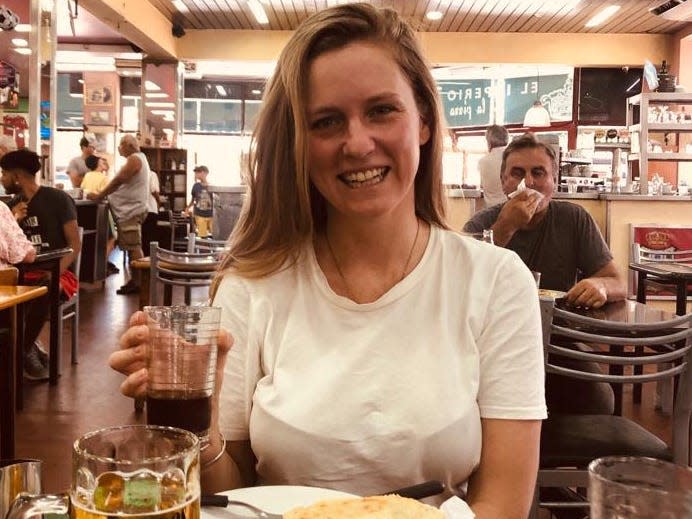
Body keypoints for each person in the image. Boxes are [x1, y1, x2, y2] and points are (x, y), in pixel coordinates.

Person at [110, 5, 546, 519]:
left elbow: (502, 504)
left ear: (424, 122)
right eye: (327, 121)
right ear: (300, 141)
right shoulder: (253, 284)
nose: (357, 144)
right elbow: (229, 496)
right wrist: (197, 424)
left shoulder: (495, 281)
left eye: (382, 110)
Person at [464, 132, 626, 308]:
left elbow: (618, 282)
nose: (528, 182)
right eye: (517, 174)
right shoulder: (480, 224)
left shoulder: (574, 218)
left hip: (558, 325)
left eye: (538, 173)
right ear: (504, 182)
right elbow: (461, 284)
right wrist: (506, 226)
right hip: (496, 324)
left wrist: (601, 286)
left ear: (554, 181)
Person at [1, 148, 81, 381]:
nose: (2, 178)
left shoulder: (57, 199)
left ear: (17, 176)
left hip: (58, 271)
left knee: (46, 290)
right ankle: (24, 350)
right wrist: (15, 219)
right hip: (24, 272)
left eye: (4, 173)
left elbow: (74, 244)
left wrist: (58, 271)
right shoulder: (11, 208)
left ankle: (21, 352)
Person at [87, 135, 149, 295]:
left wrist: (100, 195)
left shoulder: (135, 159)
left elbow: (118, 180)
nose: (119, 148)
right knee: (130, 246)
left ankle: (139, 282)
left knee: (134, 246)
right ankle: (136, 281)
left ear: (129, 145)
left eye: (121, 145)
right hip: (130, 210)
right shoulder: (138, 158)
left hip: (131, 210)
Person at [478, 125, 509, 207]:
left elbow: (481, 185)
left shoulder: (482, 161)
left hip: (490, 210)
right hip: (510, 207)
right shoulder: (513, 157)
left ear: (489, 141)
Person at [184, 165, 213, 238]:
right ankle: (204, 249)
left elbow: (215, 201)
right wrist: (187, 209)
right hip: (199, 214)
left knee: (215, 235)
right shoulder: (196, 186)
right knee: (203, 236)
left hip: (211, 215)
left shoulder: (212, 186)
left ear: (205, 173)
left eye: (199, 172)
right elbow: (193, 200)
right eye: (196, 173)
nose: (197, 174)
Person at [141, 169, 161, 257]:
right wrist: (159, 201)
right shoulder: (152, 174)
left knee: (142, 236)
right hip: (150, 209)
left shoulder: (136, 175)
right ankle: (150, 258)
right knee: (150, 236)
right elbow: (154, 190)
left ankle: (141, 258)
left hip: (138, 210)